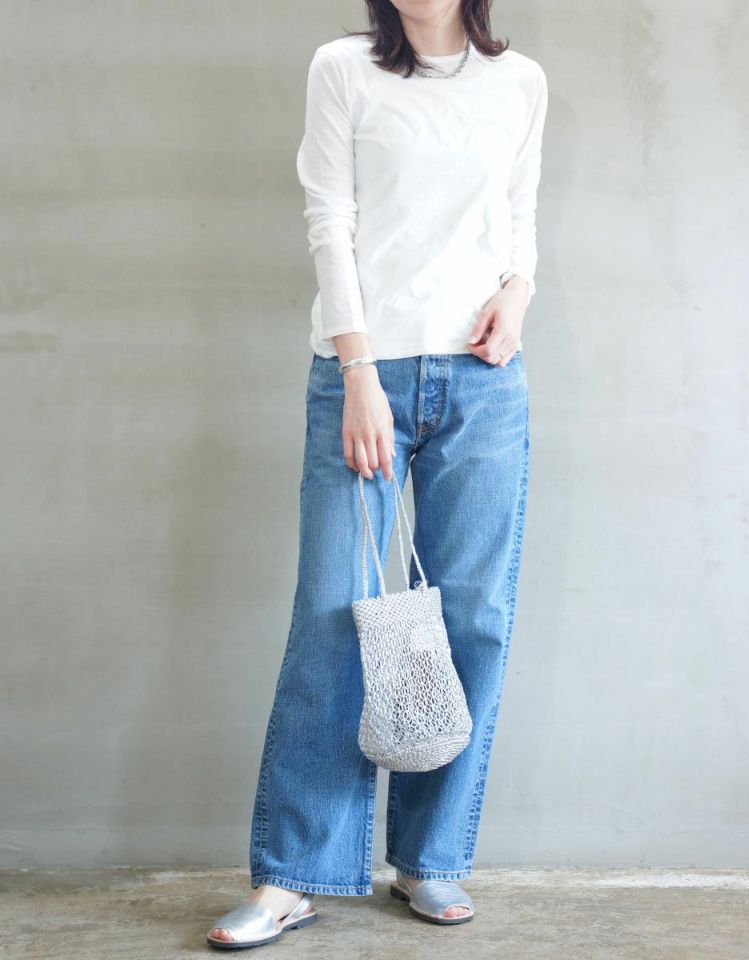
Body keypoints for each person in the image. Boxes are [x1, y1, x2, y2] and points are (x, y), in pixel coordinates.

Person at [207, 0, 548, 948]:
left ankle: (429, 859)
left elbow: (520, 214)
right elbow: (330, 219)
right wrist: (358, 371)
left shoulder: (519, 81)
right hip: (362, 376)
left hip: (485, 380)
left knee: (474, 615)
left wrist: (518, 294)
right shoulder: (343, 69)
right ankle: (294, 875)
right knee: (333, 612)